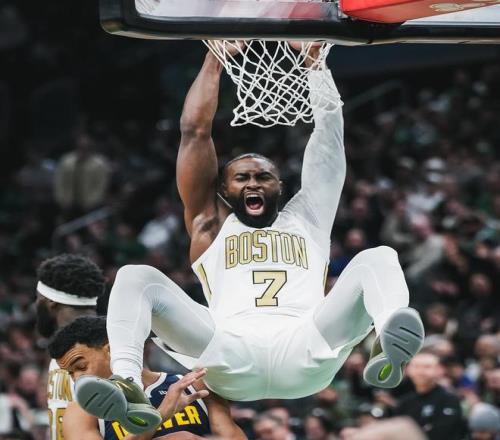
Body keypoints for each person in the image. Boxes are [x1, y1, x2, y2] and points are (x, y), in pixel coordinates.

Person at [75, 43, 424, 433]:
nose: (253, 182)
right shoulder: (210, 223)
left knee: (379, 256)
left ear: (280, 186)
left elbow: (329, 137)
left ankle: (389, 340)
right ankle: (127, 382)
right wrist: (215, 56)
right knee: (135, 276)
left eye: (263, 176)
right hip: (229, 352)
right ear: (224, 189)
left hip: (307, 344)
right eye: (242, 177)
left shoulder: (308, 217)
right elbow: (194, 132)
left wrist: (315, 64)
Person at [48, 316, 247, 440]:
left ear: (111, 350)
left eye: (81, 367)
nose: (77, 379)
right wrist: (160, 415)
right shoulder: (81, 412)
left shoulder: (194, 384)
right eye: (71, 373)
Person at [35, 254, 106, 440]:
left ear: (50, 302)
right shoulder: (61, 347)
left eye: (38, 298)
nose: (35, 305)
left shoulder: (105, 350)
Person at [393, 351, 465, 440]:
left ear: (440, 370)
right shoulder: (404, 402)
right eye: (416, 366)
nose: (420, 371)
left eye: (427, 367)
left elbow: (444, 432)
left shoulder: (450, 400)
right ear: (408, 370)